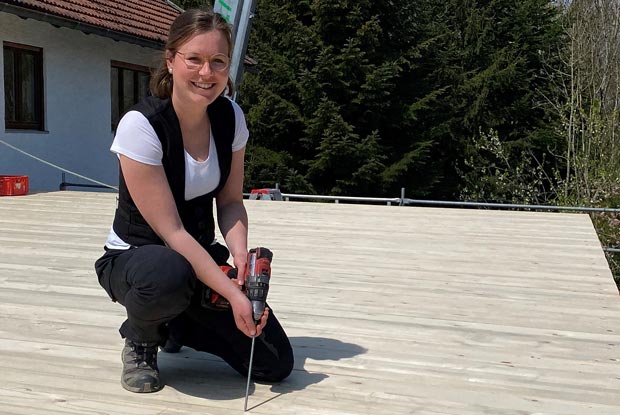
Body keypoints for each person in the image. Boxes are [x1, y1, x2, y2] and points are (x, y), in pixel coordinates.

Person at [94, 8, 294, 393]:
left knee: (273, 363)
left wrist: (240, 262)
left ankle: (176, 323)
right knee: (168, 275)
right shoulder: (141, 125)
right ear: (171, 60)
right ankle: (141, 338)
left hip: (197, 256)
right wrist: (231, 293)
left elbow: (231, 202)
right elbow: (172, 233)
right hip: (139, 260)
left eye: (218, 61)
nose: (207, 72)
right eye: (194, 59)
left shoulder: (230, 118)